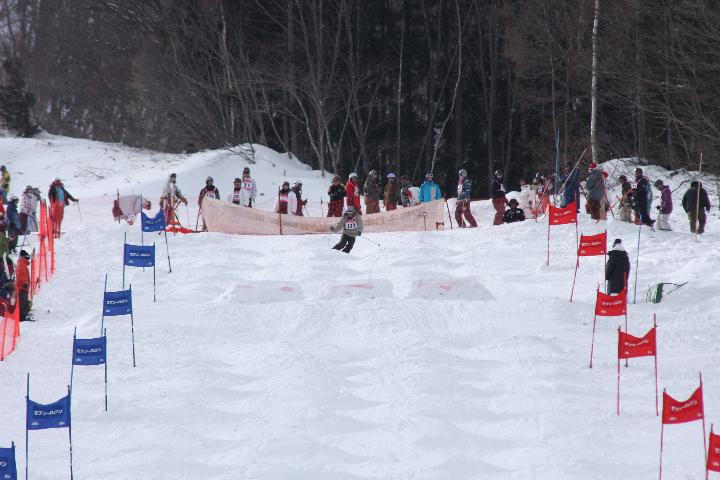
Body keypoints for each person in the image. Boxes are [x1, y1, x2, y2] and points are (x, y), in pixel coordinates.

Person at [16, 249, 31, 321]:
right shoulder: (22, 263)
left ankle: (24, 315)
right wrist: (25, 282)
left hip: (23, 286)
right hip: (22, 287)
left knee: (24, 301)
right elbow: (21, 274)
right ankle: (23, 316)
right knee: (23, 301)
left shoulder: (22, 263)